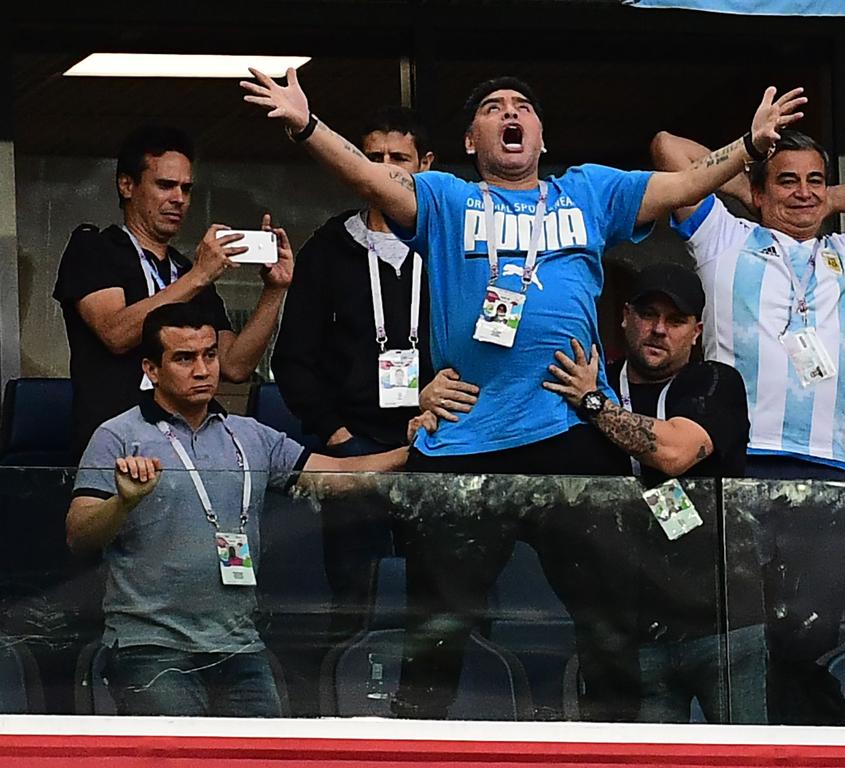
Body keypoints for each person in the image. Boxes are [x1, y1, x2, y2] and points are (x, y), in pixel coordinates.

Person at [241, 67, 804, 720]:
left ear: (540, 136)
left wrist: (752, 145)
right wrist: (308, 125)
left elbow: (685, 182)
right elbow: (366, 177)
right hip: (464, 442)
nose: (510, 112)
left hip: (565, 431)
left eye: (523, 106)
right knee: (436, 636)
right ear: (474, 141)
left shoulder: (591, 192)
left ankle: (613, 750)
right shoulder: (448, 200)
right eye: (492, 107)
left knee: (610, 623)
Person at [67, 302, 407, 717]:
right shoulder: (117, 435)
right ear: (151, 369)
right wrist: (124, 503)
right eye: (184, 358)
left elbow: (340, 475)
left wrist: (415, 450)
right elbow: (79, 535)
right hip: (151, 647)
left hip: (239, 644)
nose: (202, 370)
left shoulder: (249, 434)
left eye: (210, 355)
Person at [650, 128, 845, 480]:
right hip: (740, 455)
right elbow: (667, 147)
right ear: (761, 191)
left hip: (829, 461)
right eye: (787, 181)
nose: (803, 192)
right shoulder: (724, 238)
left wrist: (829, 199)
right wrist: (744, 185)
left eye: (814, 180)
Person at [543, 262, 764, 723]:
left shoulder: (715, 383)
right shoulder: (592, 380)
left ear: (697, 331)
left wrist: (593, 404)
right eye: (647, 314)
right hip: (627, 634)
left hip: (722, 626)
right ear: (624, 316)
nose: (659, 330)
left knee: (746, 758)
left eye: (676, 320)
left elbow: (674, 453)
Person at [270, 107, 435, 639]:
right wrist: (338, 436)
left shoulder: (450, 246)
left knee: (435, 598)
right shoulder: (328, 248)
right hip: (353, 451)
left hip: (435, 445)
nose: (385, 169)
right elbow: (294, 358)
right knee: (351, 599)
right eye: (374, 157)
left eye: (400, 159)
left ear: (426, 165)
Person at [53, 124, 294, 459]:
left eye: (186, 188)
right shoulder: (95, 248)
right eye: (165, 185)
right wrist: (198, 276)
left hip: (190, 442)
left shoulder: (186, 269)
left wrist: (274, 290)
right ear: (127, 185)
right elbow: (115, 332)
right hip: (115, 442)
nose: (178, 199)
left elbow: (234, 366)